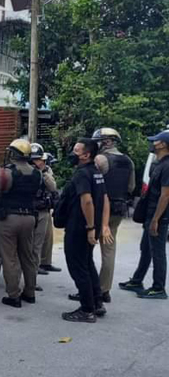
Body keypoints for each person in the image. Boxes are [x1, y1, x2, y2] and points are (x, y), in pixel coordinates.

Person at [70, 128, 134, 304]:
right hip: (119, 209)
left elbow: (93, 186)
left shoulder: (99, 160)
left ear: (104, 142)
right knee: (109, 250)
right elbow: (131, 187)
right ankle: (104, 289)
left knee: (86, 249)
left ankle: (90, 290)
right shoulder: (128, 161)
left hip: (99, 210)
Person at [0, 139, 43, 308]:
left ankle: (13, 295)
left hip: (9, 219)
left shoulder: (5, 173)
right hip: (30, 219)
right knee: (28, 256)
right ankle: (30, 293)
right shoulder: (37, 173)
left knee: (9, 258)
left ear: (13, 154)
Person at [61, 138, 113, 323]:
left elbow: (87, 200)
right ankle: (97, 302)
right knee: (87, 263)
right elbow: (105, 198)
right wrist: (102, 225)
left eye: (76, 150)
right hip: (90, 226)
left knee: (78, 267)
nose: (72, 153)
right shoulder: (96, 172)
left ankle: (87, 310)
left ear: (86, 154)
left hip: (80, 227)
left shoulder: (82, 174)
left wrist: (90, 227)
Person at [119, 130, 169, 299]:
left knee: (158, 252)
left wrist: (156, 219)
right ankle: (137, 280)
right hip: (151, 214)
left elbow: (166, 195)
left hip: (158, 216)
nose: (153, 143)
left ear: (163, 144)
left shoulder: (167, 166)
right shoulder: (159, 163)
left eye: (156, 141)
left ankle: (158, 287)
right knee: (146, 249)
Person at [29, 143, 59, 287]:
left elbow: (53, 187)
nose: (37, 162)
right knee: (33, 246)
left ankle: (43, 264)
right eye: (34, 159)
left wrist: (43, 171)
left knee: (44, 241)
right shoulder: (25, 171)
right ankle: (31, 278)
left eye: (38, 159)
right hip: (30, 211)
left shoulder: (45, 171)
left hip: (43, 209)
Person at [39, 153, 62, 274]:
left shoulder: (47, 171)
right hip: (37, 210)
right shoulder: (38, 172)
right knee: (37, 240)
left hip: (46, 208)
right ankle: (36, 265)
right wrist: (44, 173)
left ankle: (46, 262)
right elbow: (53, 186)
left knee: (48, 238)